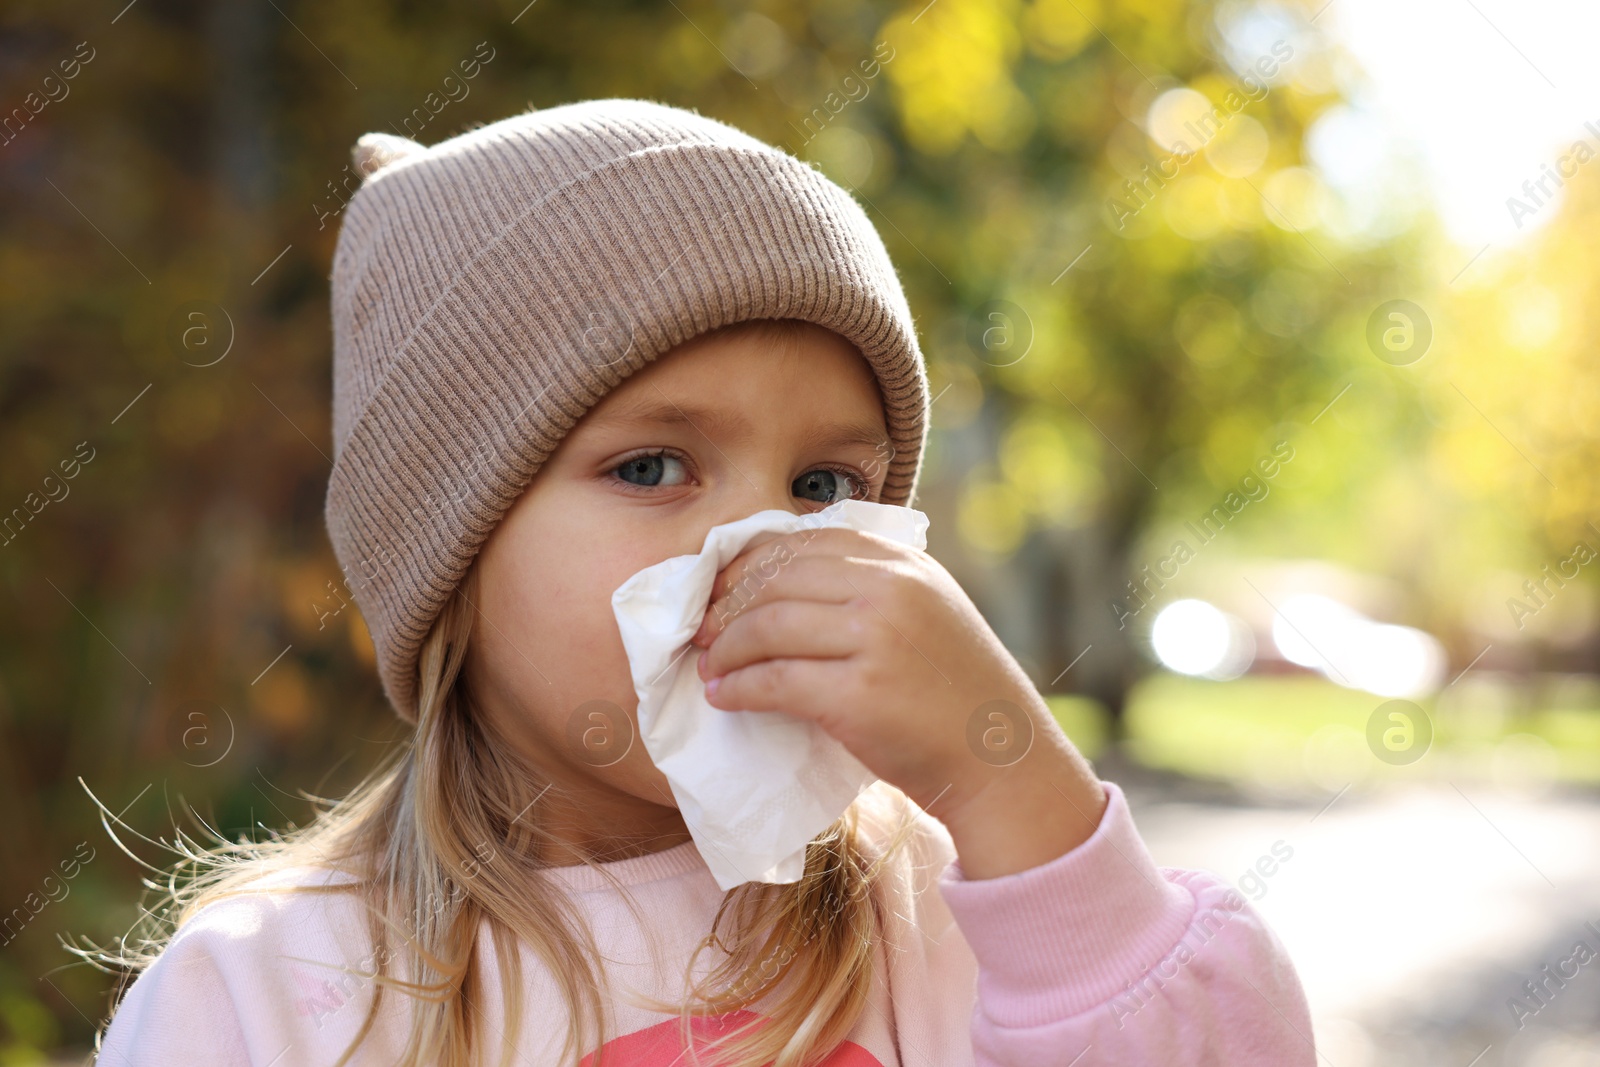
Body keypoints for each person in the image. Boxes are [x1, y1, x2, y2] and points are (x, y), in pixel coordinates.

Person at [89, 98, 1314, 1066]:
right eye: (654, 465)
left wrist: (1010, 784)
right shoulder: (266, 996)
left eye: (827, 486)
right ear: (448, 552)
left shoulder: (949, 917)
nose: (763, 541)